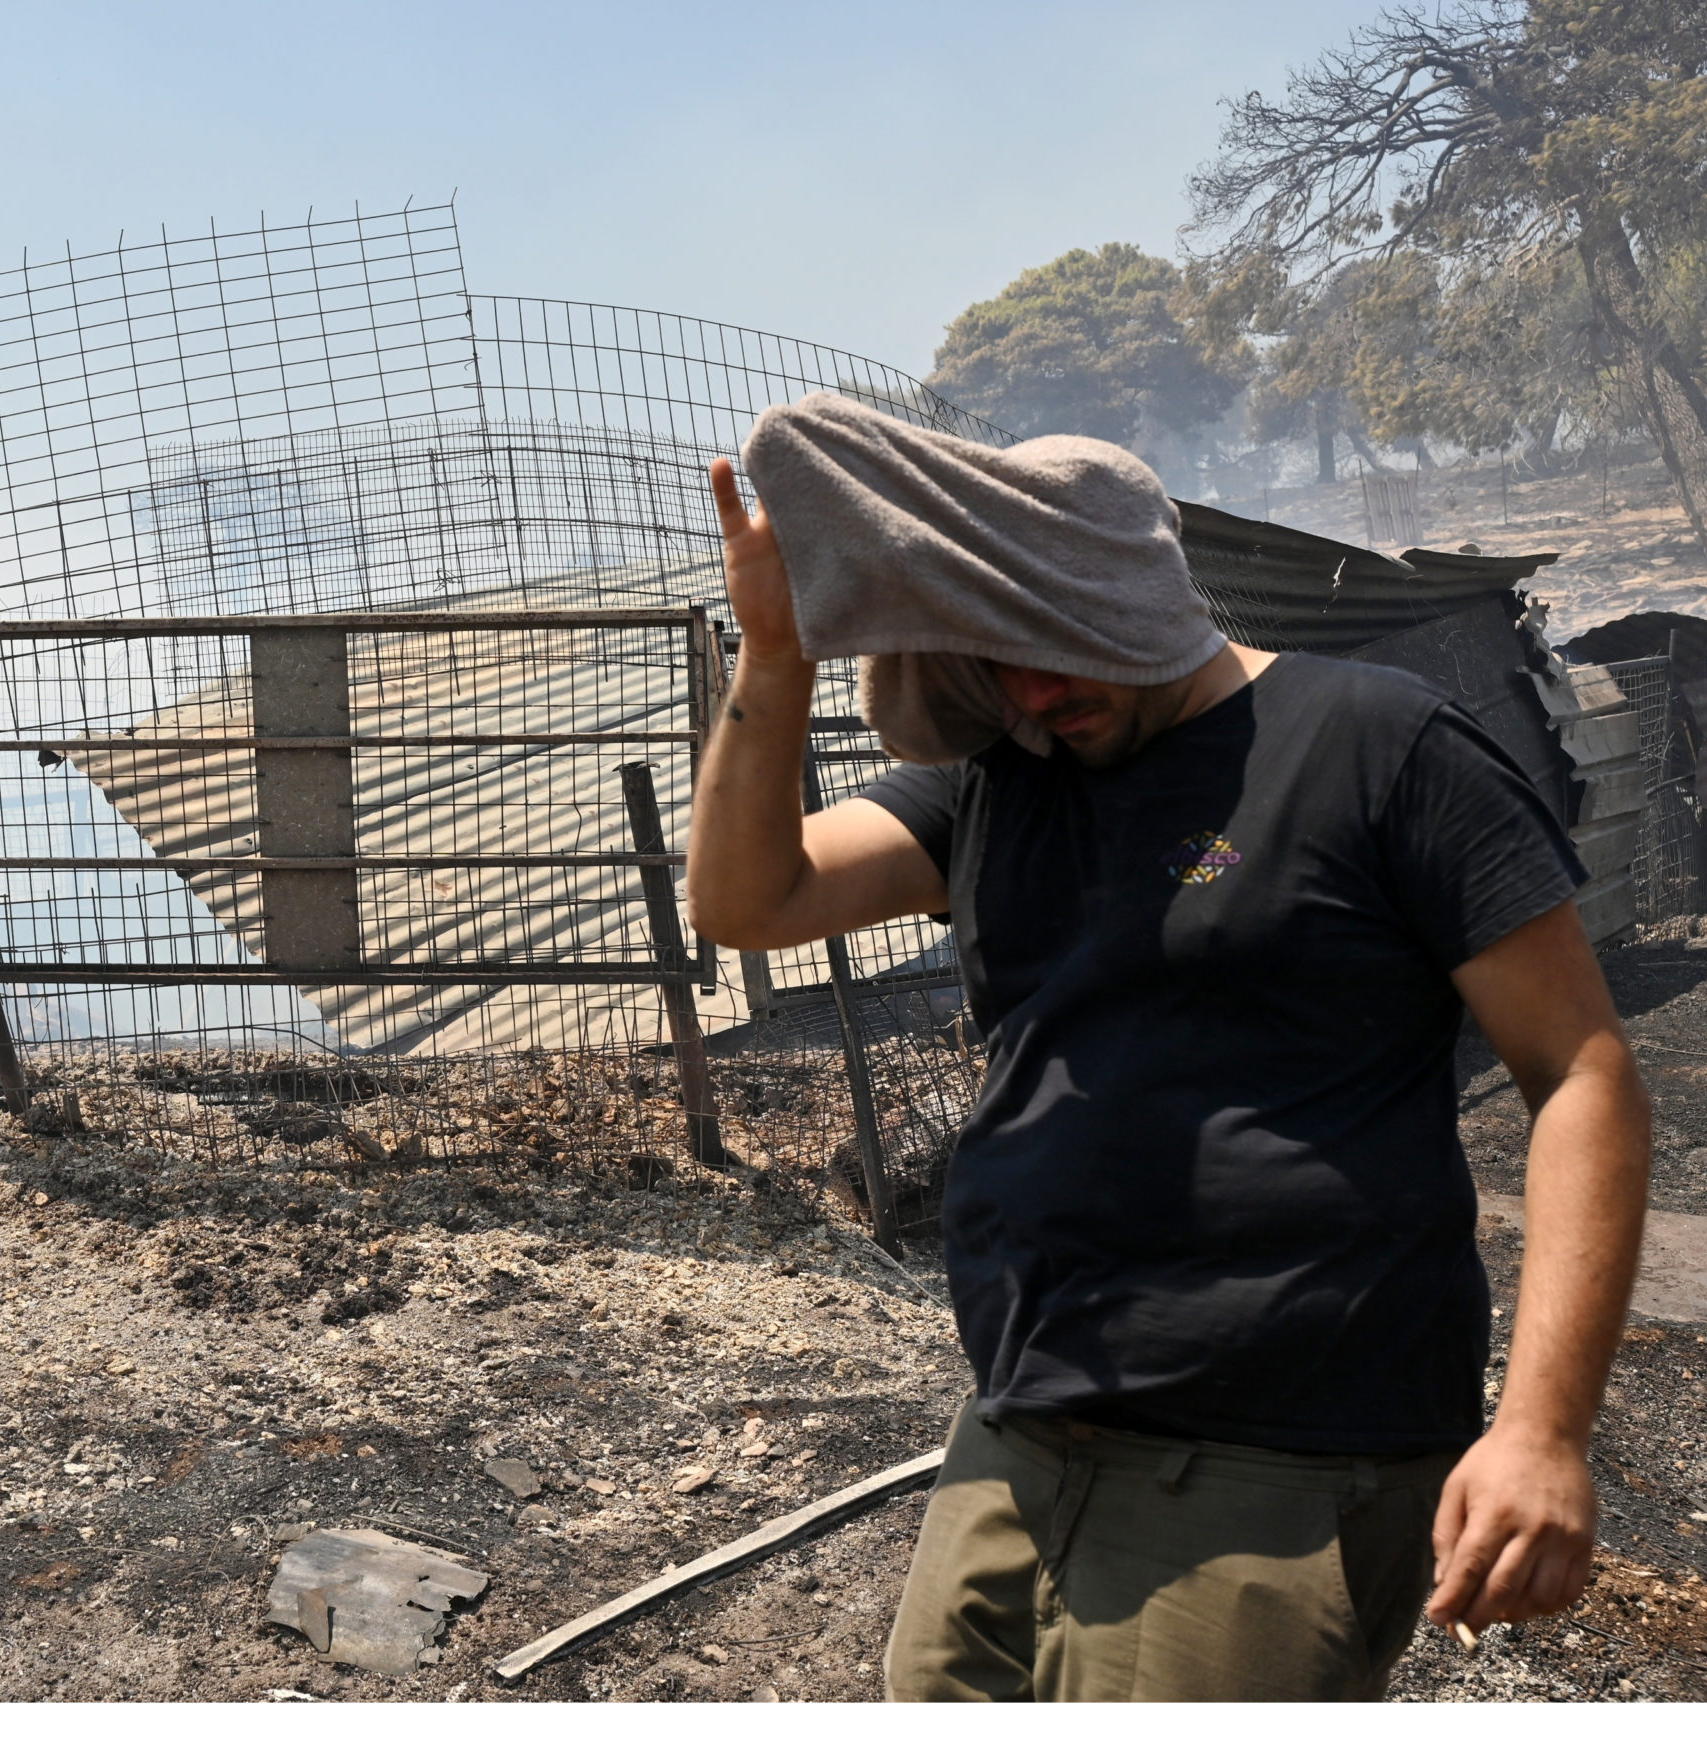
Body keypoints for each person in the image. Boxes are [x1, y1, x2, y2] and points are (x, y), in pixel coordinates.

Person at [686, 397, 1651, 1702]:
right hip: (1022, 1428)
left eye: (1065, 649)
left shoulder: (1378, 747)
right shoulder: (1004, 778)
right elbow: (752, 902)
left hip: (1273, 1458)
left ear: (1141, 597)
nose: (1033, 692)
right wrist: (779, 652)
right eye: (997, 657)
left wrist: (1544, 1429)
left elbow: (1580, 1071)